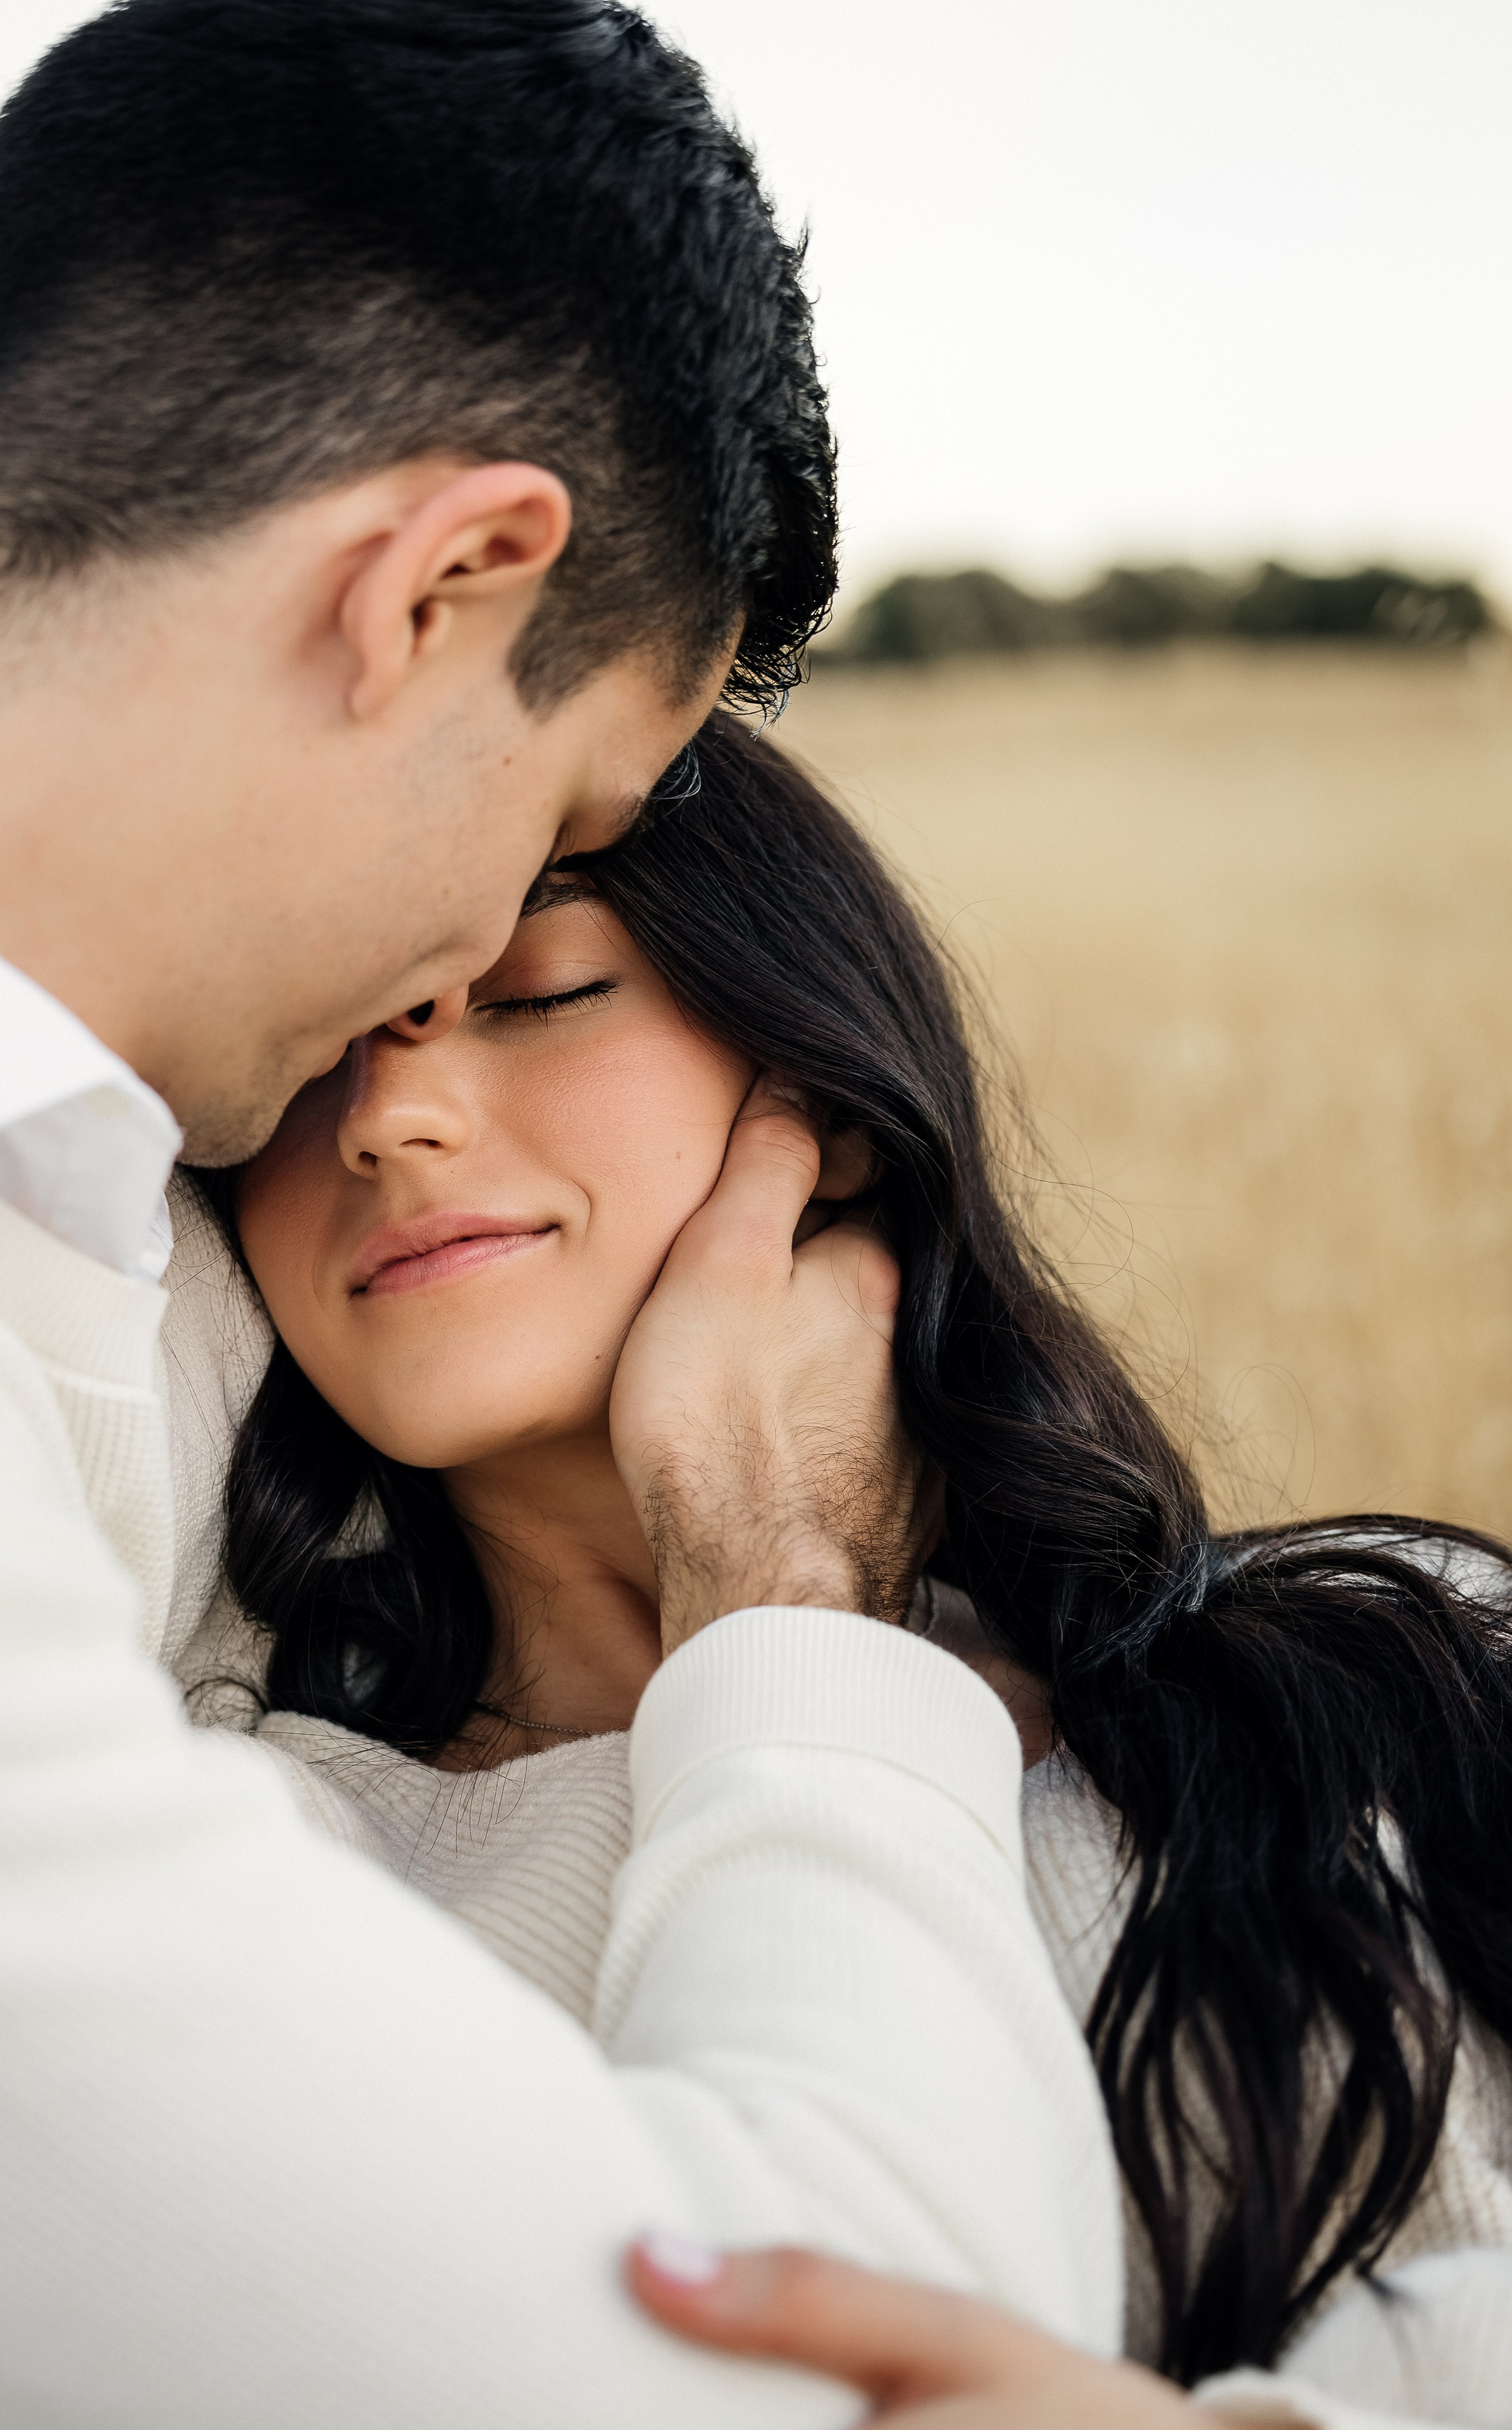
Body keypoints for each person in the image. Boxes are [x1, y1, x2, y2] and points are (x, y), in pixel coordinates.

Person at [0, 4, 1125, 2422]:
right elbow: (833, 2366)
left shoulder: (53, 1213)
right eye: (563, 826)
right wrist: (780, 1582)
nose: (429, 1034)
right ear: (439, 587)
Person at [173, 711, 1512, 2418]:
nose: (386, 1119)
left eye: (537, 994)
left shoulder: (1391, 1675)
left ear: (831, 1107)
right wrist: (767, 1581)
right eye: (303, 1056)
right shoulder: (257, 1879)